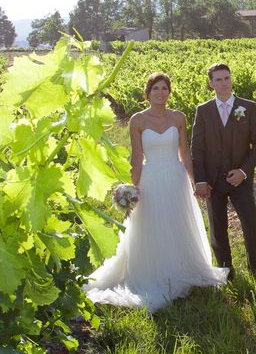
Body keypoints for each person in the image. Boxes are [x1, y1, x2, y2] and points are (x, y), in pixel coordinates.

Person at [83, 72, 228, 312]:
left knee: (175, 223)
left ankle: (181, 269)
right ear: (148, 93)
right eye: (156, 89)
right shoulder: (137, 121)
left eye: (164, 89)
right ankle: (152, 272)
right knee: (151, 225)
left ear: (169, 92)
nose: (160, 93)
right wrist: (134, 188)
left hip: (175, 177)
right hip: (150, 180)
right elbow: (137, 156)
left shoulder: (178, 117)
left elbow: (185, 153)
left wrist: (194, 183)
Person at [191, 63, 256, 290]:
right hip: (213, 182)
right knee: (218, 229)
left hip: (240, 181)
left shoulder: (248, 107)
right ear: (211, 83)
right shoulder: (203, 110)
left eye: (227, 78)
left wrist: (243, 171)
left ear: (232, 79)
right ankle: (226, 275)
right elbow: (197, 147)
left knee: (251, 226)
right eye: (219, 79)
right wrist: (201, 180)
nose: (224, 83)